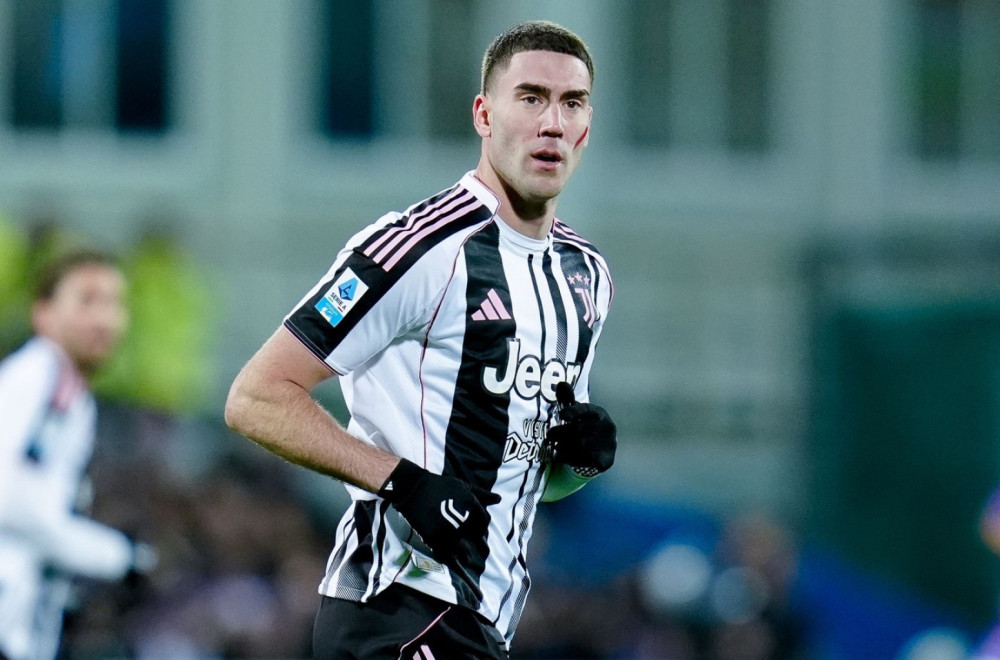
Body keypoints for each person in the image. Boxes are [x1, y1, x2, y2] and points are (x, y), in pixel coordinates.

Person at [226, 20, 617, 659]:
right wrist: (402, 482)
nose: (552, 122)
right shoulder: (419, 247)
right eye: (531, 98)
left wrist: (576, 465)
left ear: (587, 127)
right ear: (484, 115)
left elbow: (519, 475)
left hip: (485, 618)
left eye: (571, 103)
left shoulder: (586, 276)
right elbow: (256, 397)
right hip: (395, 607)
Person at [0, 249, 156, 660]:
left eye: (114, 303)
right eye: (87, 301)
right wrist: (116, 556)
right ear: (43, 314)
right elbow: (11, 502)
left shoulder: (71, 394)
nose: (105, 319)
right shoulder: (41, 377)